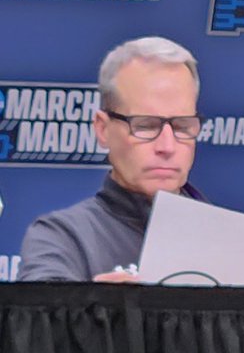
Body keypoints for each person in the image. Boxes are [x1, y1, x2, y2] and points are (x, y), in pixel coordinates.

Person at [19, 36, 206, 282]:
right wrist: (95, 309)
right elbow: (39, 315)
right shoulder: (62, 237)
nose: (167, 146)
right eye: (146, 125)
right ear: (102, 130)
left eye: (182, 126)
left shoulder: (227, 238)